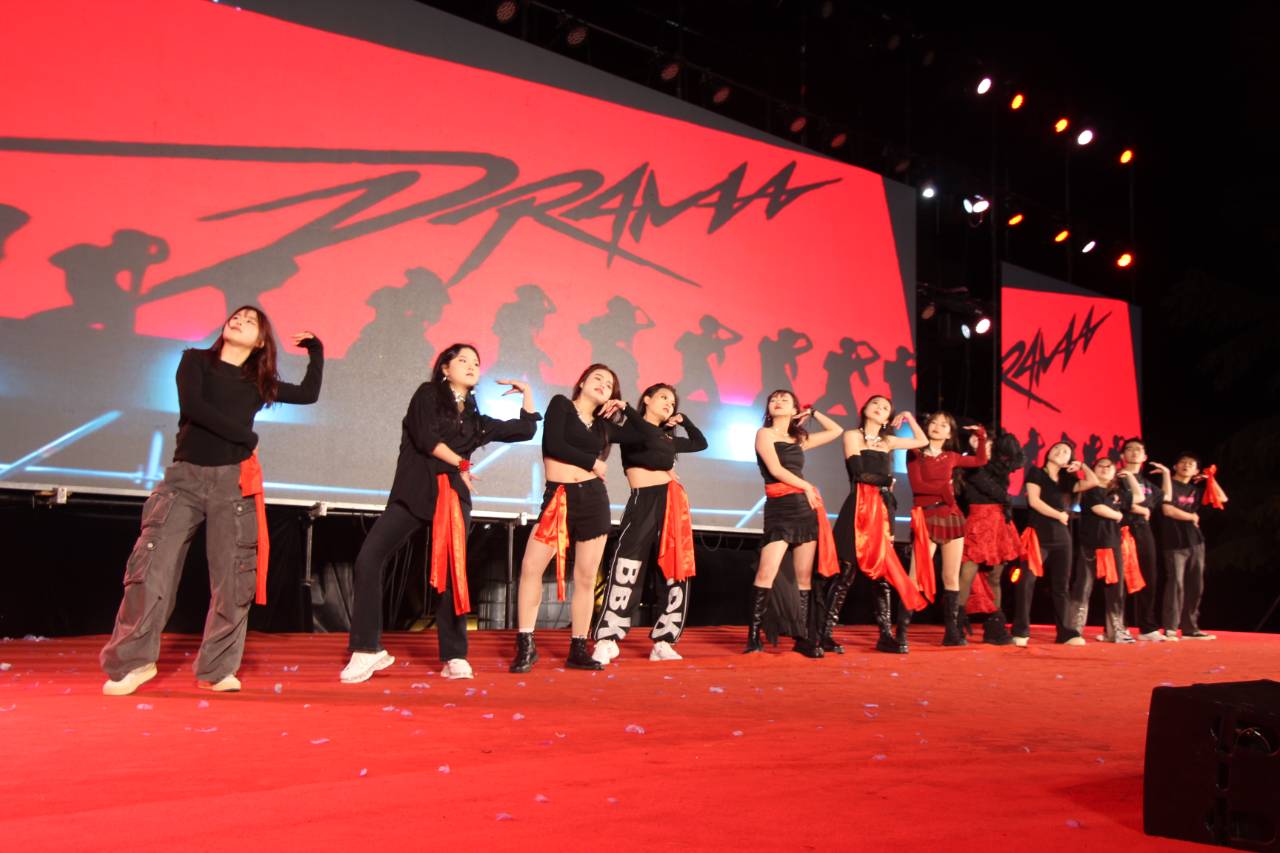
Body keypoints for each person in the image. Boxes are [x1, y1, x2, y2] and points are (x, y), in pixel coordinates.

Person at [101, 306, 323, 695]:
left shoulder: (259, 382)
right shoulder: (195, 361)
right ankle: (134, 662)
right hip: (183, 480)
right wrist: (247, 437)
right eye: (237, 316)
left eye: (250, 322)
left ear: (260, 341)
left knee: (232, 579)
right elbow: (193, 407)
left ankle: (217, 669)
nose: (239, 321)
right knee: (151, 569)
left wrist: (316, 351)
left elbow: (308, 394)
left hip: (231, 485)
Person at [340, 344, 539, 684]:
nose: (472, 365)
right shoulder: (427, 395)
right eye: (463, 360)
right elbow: (426, 439)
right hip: (415, 491)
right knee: (369, 559)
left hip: (453, 498)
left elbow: (525, 430)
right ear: (445, 368)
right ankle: (366, 649)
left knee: (452, 572)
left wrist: (528, 394)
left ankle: (455, 655)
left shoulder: (476, 421)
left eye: (476, 362)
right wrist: (461, 463)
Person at [510, 364, 629, 672]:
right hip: (560, 497)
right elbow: (554, 444)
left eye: (609, 384)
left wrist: (626, 408)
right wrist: (593, 462)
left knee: (587, 577)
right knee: (531, 567)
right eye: (597, 378)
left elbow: (642, 435)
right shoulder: (561, 405)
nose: (603, 384)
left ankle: (578, 647)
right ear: (582, 382)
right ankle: (526, 645)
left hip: (594, 501)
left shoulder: (604, 426)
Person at [591, 383, 707, 665]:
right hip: (643, 502)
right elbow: (645, 432)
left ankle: (665, 640)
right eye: (663, 397)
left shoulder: (665, 438)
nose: (669, 403)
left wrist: (684, 420)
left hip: (672, 503)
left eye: (673, 402)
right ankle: (608, 638)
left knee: (675, 571)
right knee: (627, 565)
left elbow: (700, 443)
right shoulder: (630, 429)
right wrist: (626, 410)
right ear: (646, 399)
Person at [743, 391, 843, 657]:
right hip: (780, 507)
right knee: (767, 572)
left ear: (795, 409)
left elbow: (836, 431)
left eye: (784, 400)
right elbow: (776, 470)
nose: (777, 402)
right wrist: (807, 486)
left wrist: (813, 413)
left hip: (804, 508)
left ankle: (803, 637)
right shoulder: (764, 434)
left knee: (804, 577)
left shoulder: (799, 439)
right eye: (774, 399)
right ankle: (753, 636)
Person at [825, 395, 928, 654]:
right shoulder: (852, 435)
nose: (880, 409)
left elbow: (923, 441)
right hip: (857, 507)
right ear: (864, 409)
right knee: (845, 573)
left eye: (885, 408)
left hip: (882, 510)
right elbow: (859, 473)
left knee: (882, 575)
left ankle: (885, 635)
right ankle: (824, 633)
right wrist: (886, 480)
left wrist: (908, 416)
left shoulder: (888, 441)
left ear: (887, 418)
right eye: (876, 404)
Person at [906, 412, 988, 645]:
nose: (937, 427)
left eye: (943, 425)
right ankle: (901, 631)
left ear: (950, 434)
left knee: (951, 576)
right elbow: (918, 486)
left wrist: (981, 436)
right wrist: (946, 491)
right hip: (926, 517)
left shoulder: (951, 456)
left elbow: (980, 460)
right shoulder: (915, 453)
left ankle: (951, 633)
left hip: (951, 518)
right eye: (933, 422)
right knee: (915, 576)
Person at [1018, 442, 1101, 647]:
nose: (1060, 452)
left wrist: (1082, 466)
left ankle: (1066, 632)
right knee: (1027, 582)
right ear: (1048, 452)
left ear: (1068, 460)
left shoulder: (1067, 481)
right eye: (1056, 448)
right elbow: (1034, 501)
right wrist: (1059, 515)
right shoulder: (1037, 473)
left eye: (1065, 452)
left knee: (1061, 585)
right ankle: (1021, 630)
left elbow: (1094, 481)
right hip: (1038, 533)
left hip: (1061, 536)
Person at [956, 429, 1025, 645]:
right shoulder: (970, 464)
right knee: (967, 572)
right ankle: (956, 623)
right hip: (979, 519)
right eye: (976, 439)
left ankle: (994, 627)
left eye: (985, 440)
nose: (981, 443)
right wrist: (1006, 498)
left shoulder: (999, 465)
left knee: (995, 576)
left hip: (998, 521)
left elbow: (1017, 457)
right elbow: (989, 487)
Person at [1071, 458, 1144, 643]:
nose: (1104, 469)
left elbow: (1140, 497)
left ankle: (1116, 631)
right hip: (1091, 544)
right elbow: (1098, 508)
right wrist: (1117, 514)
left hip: (1112, 544)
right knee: (1083, 587)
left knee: (1115, 589)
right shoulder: (1089, 489)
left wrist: (1130, 477)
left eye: (1109, 466)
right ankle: (1073, 630)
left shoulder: (1117, 492)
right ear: (1093, 470)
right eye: (1100, 466)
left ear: (1114, 472)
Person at [1161, 453, 1228, 641]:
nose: (1186, 466)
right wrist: (1191, 516)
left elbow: (1222, 499)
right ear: (1175, 466)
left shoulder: (1195, 490)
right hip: (1174, 542)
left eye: (1191, 464)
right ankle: (1170, 628)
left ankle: (1190, 628)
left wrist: (1210, 480)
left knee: (1195, 586)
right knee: (1176, 585)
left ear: (1197, 470)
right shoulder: (1168, 484)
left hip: (1196, 542)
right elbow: (1167, 510)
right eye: (1183, 462)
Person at [1117, 439, 1171, 641]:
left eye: (1138, 449)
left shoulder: (1147, 483)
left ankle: (1147, 628)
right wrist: (1140, 509)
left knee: (1149, 575)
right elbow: (1116, 500)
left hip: (1144, 529)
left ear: (1145, 457)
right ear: (1122, 456)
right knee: (1121, 578)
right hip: (1123, 528)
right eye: (1129, 449)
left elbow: (1166, 498)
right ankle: (1117, 626)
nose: (1134, 452)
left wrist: (1166, 474)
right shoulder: (1118, 477)